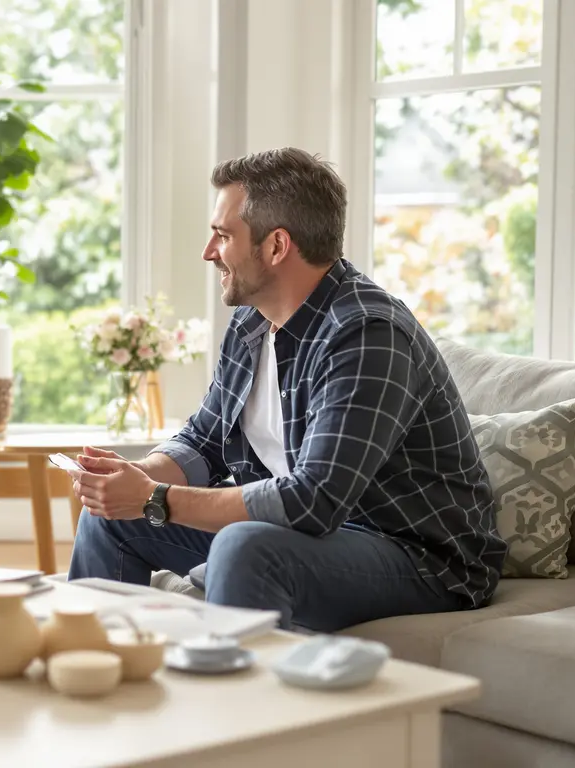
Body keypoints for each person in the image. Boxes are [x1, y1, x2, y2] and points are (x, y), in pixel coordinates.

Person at [67, 148, 506, 632]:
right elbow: (204, 440)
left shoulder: (367, 335)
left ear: (276, 246)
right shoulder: (252, 321)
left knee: (244, 545)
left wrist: (155, 497)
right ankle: (95, 672)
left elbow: (313, 500)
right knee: (109, 516)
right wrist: (133, 477)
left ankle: (232, 705)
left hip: (419, 557)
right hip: (309, 536)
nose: (208, 252)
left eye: (223, 235)